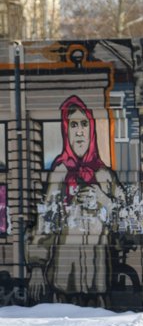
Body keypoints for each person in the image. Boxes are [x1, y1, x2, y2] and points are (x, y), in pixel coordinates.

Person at [27, 95, 125, 306]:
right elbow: (46, 222)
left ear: (92, 130)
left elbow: (125, 220)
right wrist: (36, 266)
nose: (79, 131)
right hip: (64, 283)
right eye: (73, 125)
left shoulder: (104, 175)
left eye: (84, 124)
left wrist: (101, 199)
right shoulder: (59, 173)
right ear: (66, 131)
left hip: (98, 282)